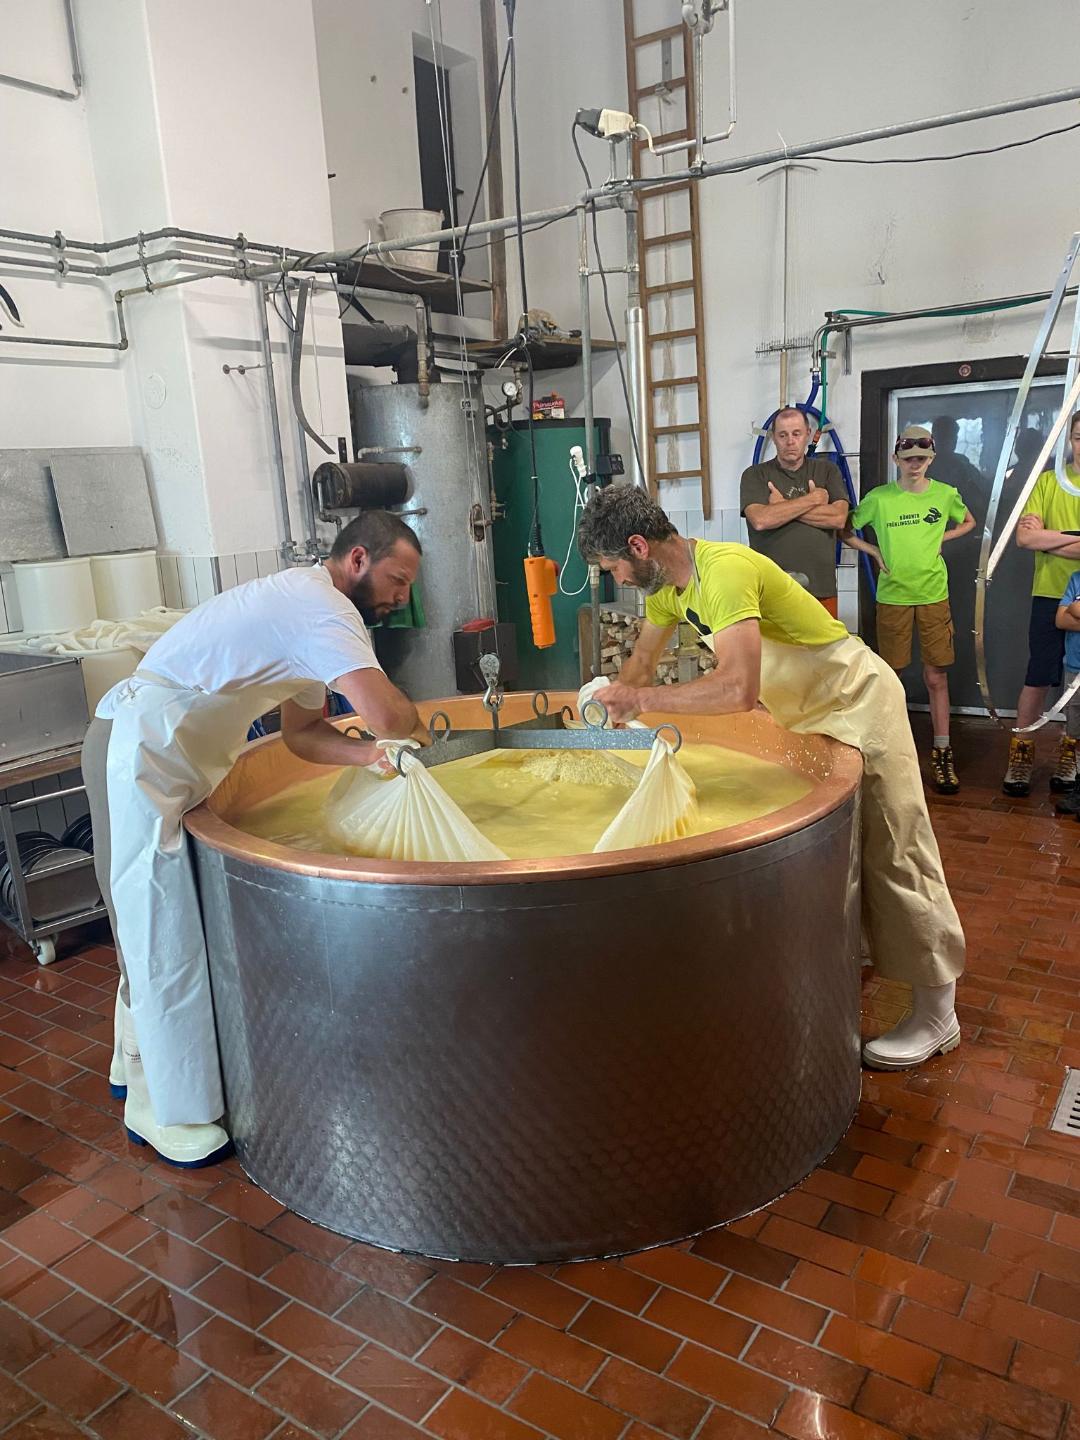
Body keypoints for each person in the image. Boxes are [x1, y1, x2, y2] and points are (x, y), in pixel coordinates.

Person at [576, 485, 965, 1071]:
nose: (618, 581)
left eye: (613, 569)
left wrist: (642, 699)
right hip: (814, 719)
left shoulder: (724, 571)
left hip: (859, 702)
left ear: (638, 546)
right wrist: (603, 711)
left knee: (899, 849)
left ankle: (939, 1016)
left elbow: (738, 689)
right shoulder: (669, 592)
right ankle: (863, 965)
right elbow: (639, 668)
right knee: (852, 853)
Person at [83, 511, 425, 1167]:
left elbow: (303, 736)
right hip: (138, 751)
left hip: (168, 761)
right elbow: (388, 713)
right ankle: (161, 1111)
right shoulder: (322, 608)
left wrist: (369, 758)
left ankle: (133, 1064)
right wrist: (416, 732)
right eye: (397, 580)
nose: (401, 598)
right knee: (159, 928)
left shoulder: (307, 616)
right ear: (358, 559)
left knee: (149, 926)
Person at [843, 426, 975, 794]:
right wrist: (873, 551)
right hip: (893, 597)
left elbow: (969, 522)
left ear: (931, 459)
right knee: (892, 678)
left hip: (934, 595)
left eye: (921, 458)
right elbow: (845, 529)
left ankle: (942, 750)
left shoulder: (945, 494)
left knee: (937, 676)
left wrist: (939, 540)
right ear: (896, 460)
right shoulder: (880, 498)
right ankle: (893, 753)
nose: (914, 464)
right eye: (908, 459)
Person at [1002, 411, 1080, 795]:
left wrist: (1051, 536)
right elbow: (1025, 539)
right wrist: (1072, 540)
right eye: (1079, 436)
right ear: (1070, 439)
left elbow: (1040, 538)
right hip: (1049, 593)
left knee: (1078, 682)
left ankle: (1071, 753)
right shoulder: (1048, 482)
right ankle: (1022, 751)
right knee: (1038, 675)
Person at [740, 407, 849, 616]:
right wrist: (813, 500)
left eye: (796, 433)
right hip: (770, 591)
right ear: (773, 438)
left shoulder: (827, 471)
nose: (790, 441)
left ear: (808, 434)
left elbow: (838, 518)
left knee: (824, 649)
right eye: (783, 435)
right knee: (774, 649)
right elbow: (761, 519)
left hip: (821, 591)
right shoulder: (755, 475)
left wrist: (781, 506)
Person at [1054, 571, 1080, 818]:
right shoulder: (1076, 578)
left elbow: (1073, 611)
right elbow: (1061, 620)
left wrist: (1076, 608)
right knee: (1077, 731)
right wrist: (1073, 608)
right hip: (1074, 668)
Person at [929, 415, 985, 490]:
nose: (950, 441)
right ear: (933, 438)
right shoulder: (924, 466)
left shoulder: (963, 462)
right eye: (945, 436)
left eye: (952, 436)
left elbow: (983, 485)